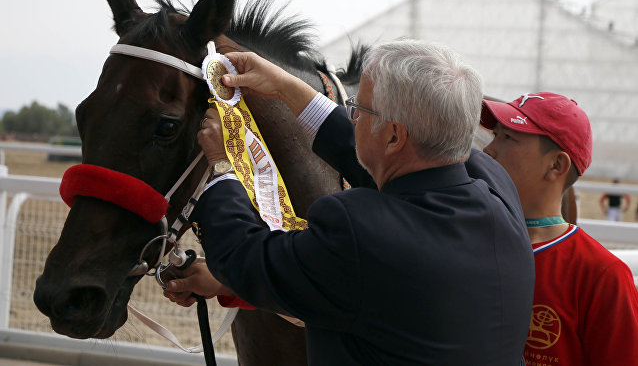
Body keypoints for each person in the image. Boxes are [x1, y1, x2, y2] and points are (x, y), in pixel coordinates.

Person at [165, 40, 535, 364]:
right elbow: (372, 152)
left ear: (393, 136)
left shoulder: (359, 231)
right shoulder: (492, 183)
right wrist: (284, 87)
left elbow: (245, 259)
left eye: (359, 108)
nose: (352, 116)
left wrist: (223, 165)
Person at [481, 92, 638, 365]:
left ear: (556, 165)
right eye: (495, 135)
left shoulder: (602, 275)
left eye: (507, 138)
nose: (488, 150)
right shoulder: (471, 244)